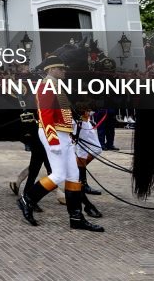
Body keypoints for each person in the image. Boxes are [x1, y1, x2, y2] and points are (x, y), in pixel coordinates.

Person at [16, 56, 104, 232]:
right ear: (51, 70)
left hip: (64, 134)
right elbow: (45, 114)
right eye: (60, 69)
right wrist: (53, 140)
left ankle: (76, 218)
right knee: (58, 175)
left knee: (73, 177)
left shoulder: (56, 85)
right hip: (54, 134)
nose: (64, 71)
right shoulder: (46, 87)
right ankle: (27, 200)